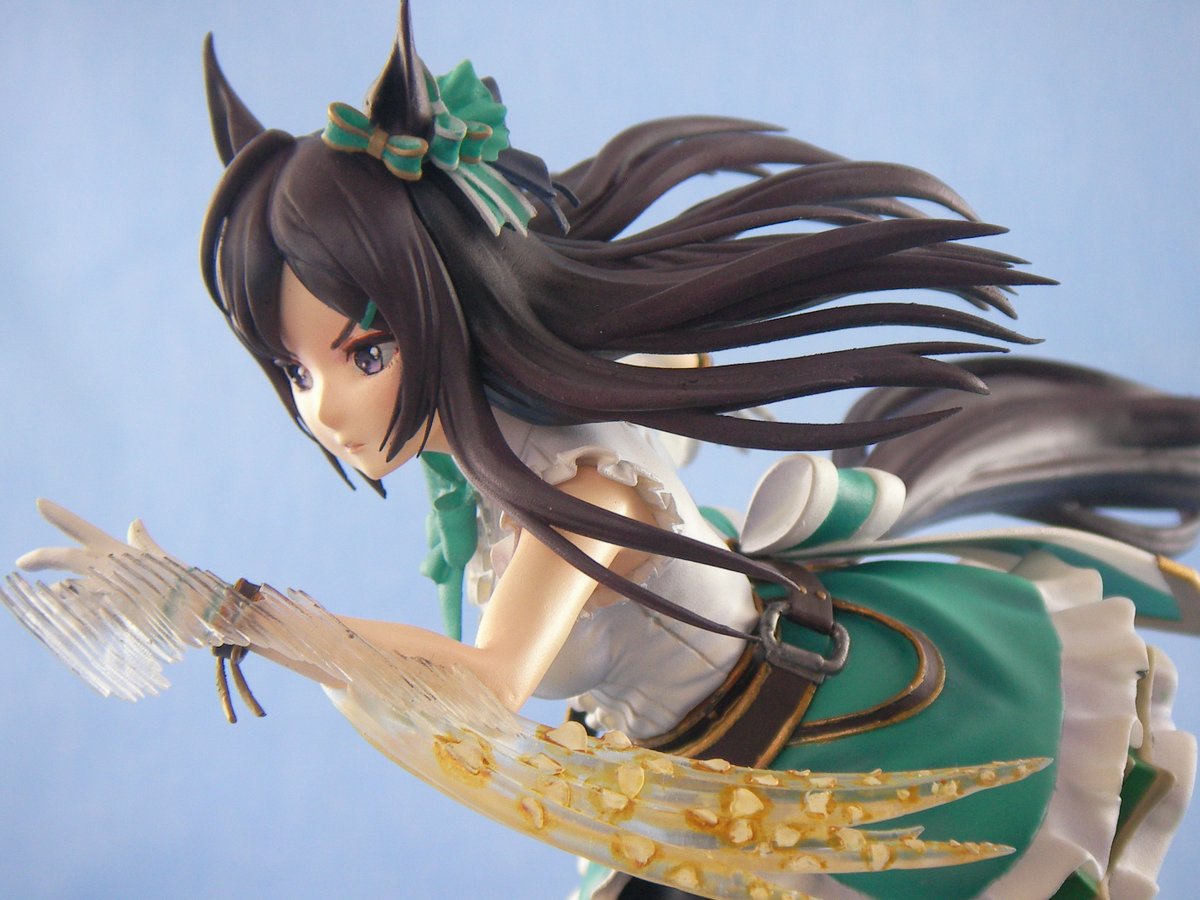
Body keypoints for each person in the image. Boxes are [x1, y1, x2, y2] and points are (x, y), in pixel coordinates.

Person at [7, 4, 1199, 897]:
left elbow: (485, 686)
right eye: (296, 370)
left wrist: (231, 611)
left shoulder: (580, 487)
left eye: (365, 351)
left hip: (804, 754)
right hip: (678, 788)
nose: (325, 408)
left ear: (442, 307)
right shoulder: (487, 471)